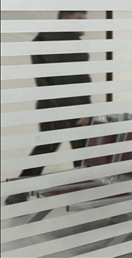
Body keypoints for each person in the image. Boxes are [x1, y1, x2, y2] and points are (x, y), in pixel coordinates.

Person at [5, 11, 93, 206]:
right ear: (65, 19)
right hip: (71, 106)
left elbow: (48, 79)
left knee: (47, 148)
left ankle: (18, 192)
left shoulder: (43, 38)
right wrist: (83, 109)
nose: (84, 23)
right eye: (79, 18)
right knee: (82, 151)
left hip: (51, 105)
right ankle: (87, 194)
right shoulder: (69, 41)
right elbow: (75, 79)